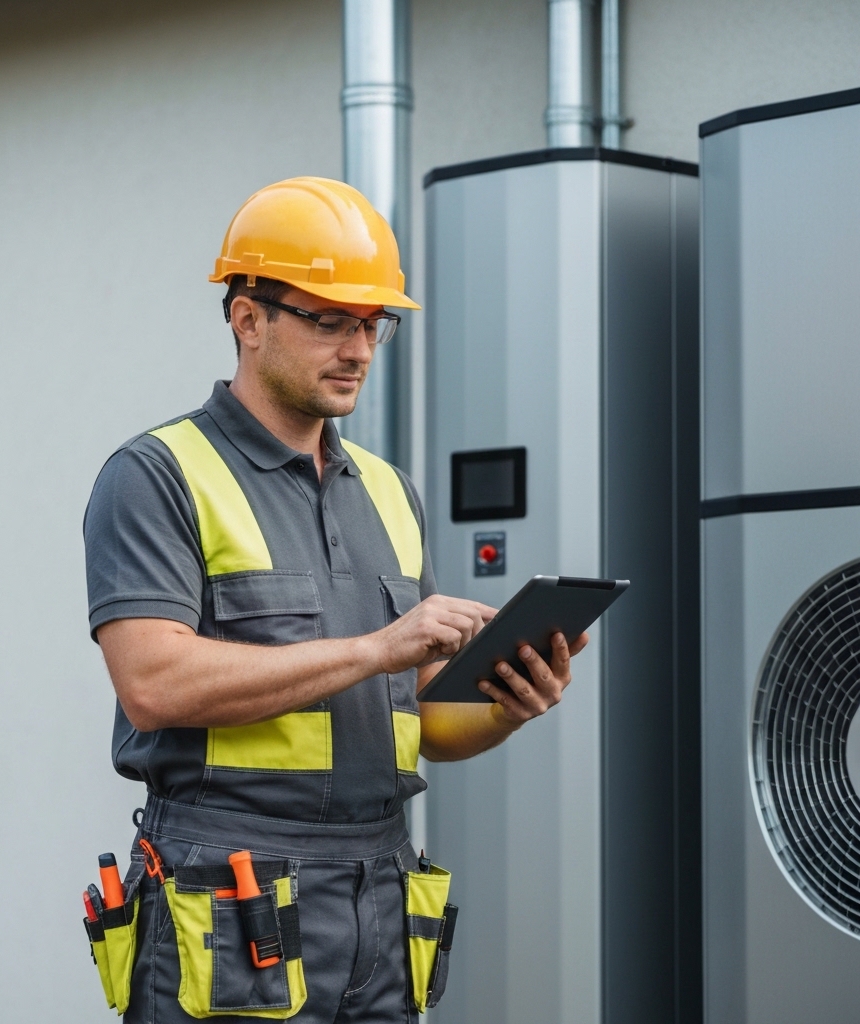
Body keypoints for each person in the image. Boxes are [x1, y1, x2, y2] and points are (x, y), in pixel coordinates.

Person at [83, 176, 588, 1023]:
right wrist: (378, 647)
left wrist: (509, 704)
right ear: (248, 318)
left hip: (381, 895)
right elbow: (154, 684)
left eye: (371, 324)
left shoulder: (390, 492)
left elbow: (423, 719)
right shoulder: (156, 476)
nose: (357, 348)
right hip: (230, 895)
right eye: (329, 322)